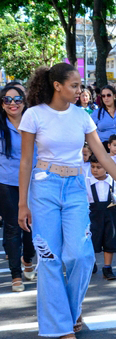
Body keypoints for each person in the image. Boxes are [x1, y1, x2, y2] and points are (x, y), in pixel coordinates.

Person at [18, 63, 116, 339]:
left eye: (80, 86)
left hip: (76, 188)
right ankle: (61, 324)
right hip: (43, 188)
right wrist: (22, 204)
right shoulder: (34, 115)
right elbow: (26, 160)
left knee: (81, 255)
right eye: (75, 85)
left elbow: (102, 156)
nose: (80, 90)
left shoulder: (82, 116)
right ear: (57, 86)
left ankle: (71, 309)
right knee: (49, 258)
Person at [0, 84, 35, 292]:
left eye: (17, 99)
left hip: (34, 181)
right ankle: (15, 275)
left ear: (24, 101)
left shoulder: (34, 121)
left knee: (32, 226)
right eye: (7, 99)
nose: (13, 103)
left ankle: (28, 259)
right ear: (2, 103)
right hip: (7, 183)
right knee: (13, 227)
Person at [86, 153, 116, 280]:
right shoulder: (87, 182)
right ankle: (91, 262)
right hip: (93, 216)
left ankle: (107, 267)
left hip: (110, 216)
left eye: (99, 167)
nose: (95, 170)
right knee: (92, 240)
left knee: (110, 240)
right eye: (93, 167)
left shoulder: (113, 182)